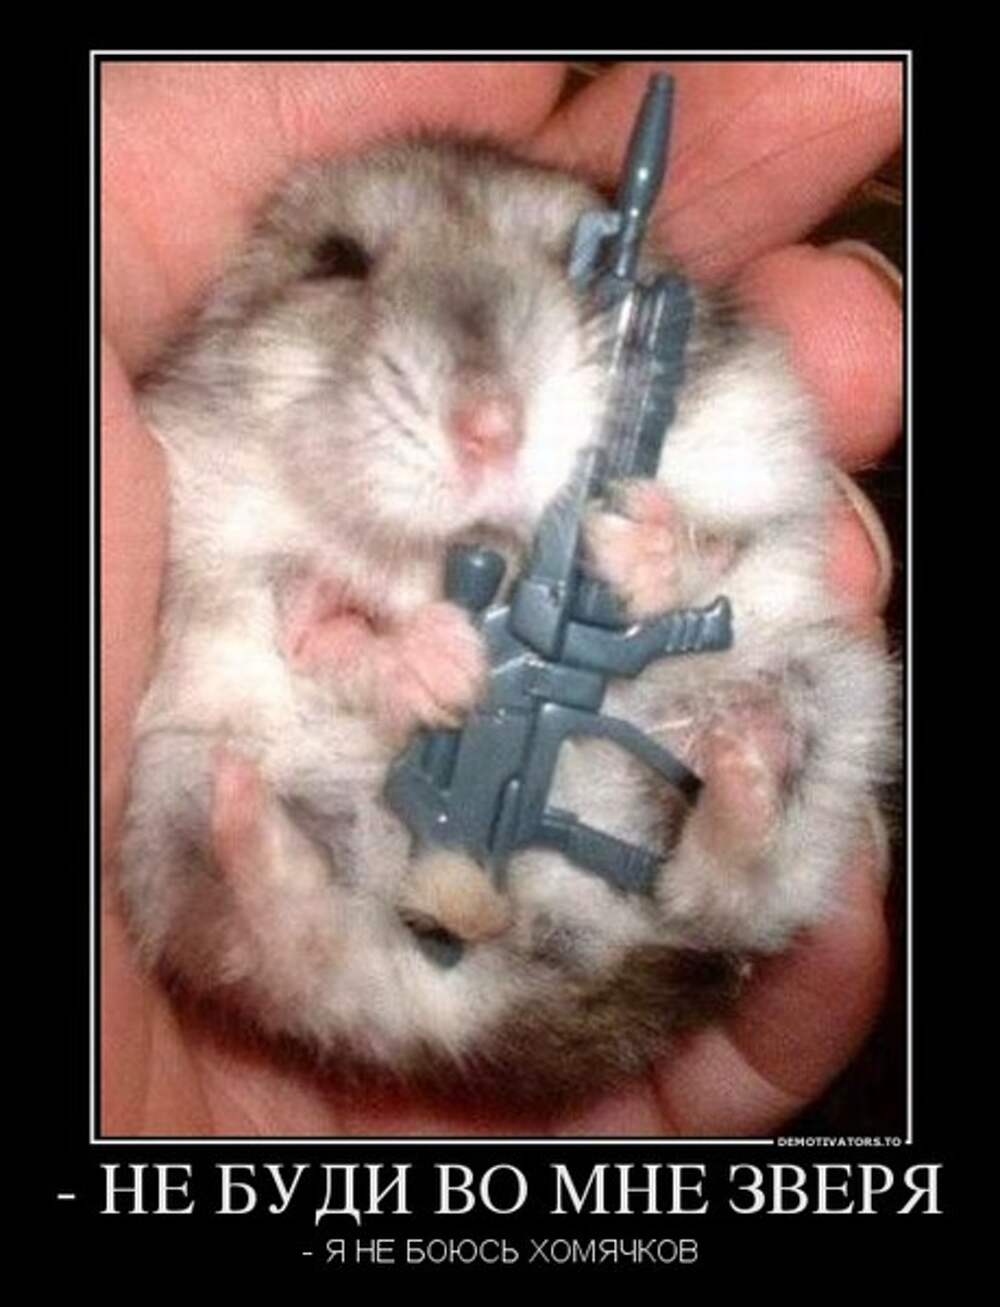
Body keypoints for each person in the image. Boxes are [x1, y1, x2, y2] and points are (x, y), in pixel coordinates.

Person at [101, 59, 903, 1137]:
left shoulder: (694, 396)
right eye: (343, 264)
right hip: (345, 831)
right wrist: (364, 649)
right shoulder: (224, 467)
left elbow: (759, 531)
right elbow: (242, 616)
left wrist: (681, 556)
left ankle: (739, 846)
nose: (488, 413)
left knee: (808, 679)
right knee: (194, 790)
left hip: (638, 804)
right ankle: (301, 935)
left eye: (570, 260)